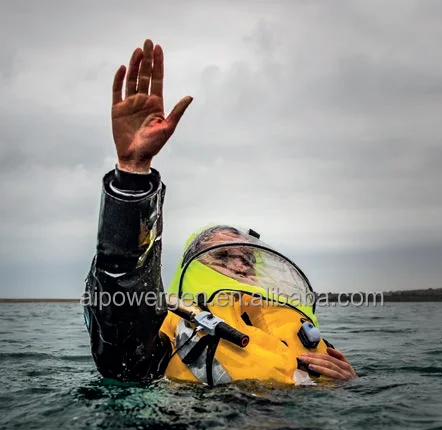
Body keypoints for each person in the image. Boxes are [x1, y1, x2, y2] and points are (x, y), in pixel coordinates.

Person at [84, 39, 357, 386]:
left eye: (247, 258)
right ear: (193, 265)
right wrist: (133, 173)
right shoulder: (164, 330)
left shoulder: (299, 331)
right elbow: (121, 308)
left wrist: (352, 384)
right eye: (223, 255)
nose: (240, 264)